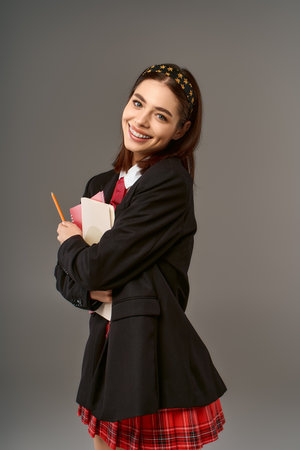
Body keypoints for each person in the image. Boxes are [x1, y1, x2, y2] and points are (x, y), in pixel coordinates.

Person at [54, 63, 227, 450]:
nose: (141, 121)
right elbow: (66, 279)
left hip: (151, 350)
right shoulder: (100, 184)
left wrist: (70, 242)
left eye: (161, 115)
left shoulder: (169, 183)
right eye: (138, 103)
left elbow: (94, 266)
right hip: (106, 347)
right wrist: (89, 291)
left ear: (180, 130)